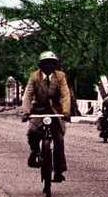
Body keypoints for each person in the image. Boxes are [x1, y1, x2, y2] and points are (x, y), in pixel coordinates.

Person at [22, 51, 72, 182]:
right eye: (46, 64)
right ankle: (35, 152)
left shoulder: (60, 76)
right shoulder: (34, 76)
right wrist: (26, 112)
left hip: (56, 111)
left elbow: (65, 94)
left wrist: (66, 112)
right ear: (41, 65)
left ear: (55, 65)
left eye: (52, 64)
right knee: (32, 132)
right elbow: (28, 94)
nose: (49, 67)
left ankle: (59, 171)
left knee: (59, 140)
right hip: (39, 109)